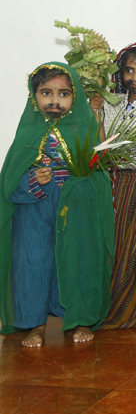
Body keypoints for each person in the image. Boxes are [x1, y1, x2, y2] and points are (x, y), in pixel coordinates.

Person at [0, 62, 114, 346]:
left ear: (74, 96)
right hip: (34, 212)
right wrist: (32, 180)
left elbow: (99, 165)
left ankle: (80, 320)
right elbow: (10, 180)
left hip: (75, 209)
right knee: (33, 263)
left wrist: (81, 184)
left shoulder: (84, 127)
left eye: (63, 94)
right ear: (33, 96)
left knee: (79, 260)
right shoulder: (28, 131)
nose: (54, 101)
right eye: (46, 93)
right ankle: (36, 325)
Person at [89, 41, 136, 330]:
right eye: (129, 70)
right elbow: (102, 145)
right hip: (112, 180)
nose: (135, 77)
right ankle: (106, 305)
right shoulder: (112, 101)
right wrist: (96, 112)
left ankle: (135, 310)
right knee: (112, 244)